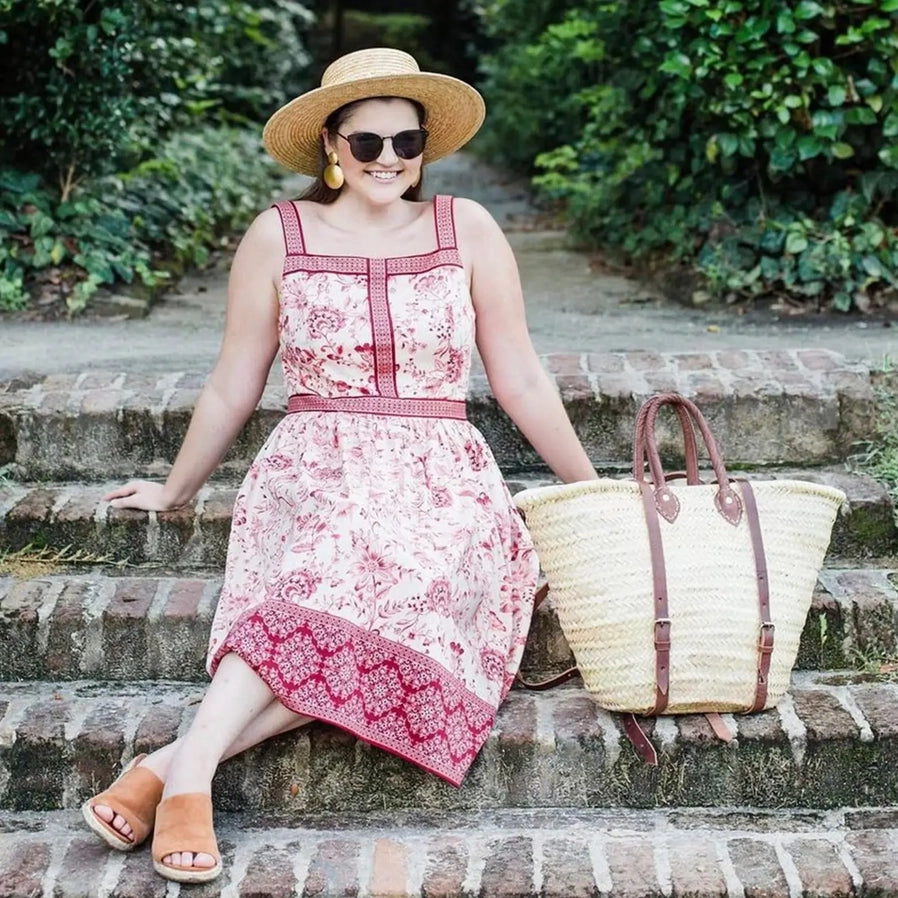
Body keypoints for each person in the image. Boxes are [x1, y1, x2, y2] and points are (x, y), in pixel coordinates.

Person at [80, 46, 599, 885]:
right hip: (317, 466)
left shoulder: (466, 228)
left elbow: (523, 375)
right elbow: (231, 384)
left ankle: (177, 768)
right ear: (331, 143)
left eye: (406, 141)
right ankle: (188, 779)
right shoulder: (278, 235)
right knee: (336, 556)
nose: (389, 159)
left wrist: (594, 492)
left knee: (404, 580)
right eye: (367, 143)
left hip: (443, 479)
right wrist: (176, 488)